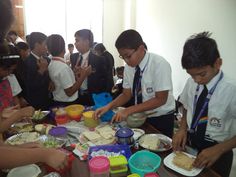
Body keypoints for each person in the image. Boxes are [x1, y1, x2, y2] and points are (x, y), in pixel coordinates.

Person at [172, 32, 236, 177]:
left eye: (202, 74)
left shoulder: (232, 90)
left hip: (218, 153)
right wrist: (182, 129)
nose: (197, 80)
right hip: (190, 145)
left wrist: (218, 149)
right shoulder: (192, 82)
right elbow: (187, 107)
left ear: (218, 63)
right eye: (191, 75)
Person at [94, 29, 175, 138]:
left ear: (141, 48)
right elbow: (126, 94)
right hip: (141, 116)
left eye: (128, 56)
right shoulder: (129, 67)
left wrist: (128, 110)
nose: (126, 61)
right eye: (122, 57)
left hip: (161, 117)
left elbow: (161, 99)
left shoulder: (159, 64)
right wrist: (108, 106)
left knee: (159, 150)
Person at [47, 34, 91, 106]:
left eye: (77, 40)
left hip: (59, 99)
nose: (75, 43)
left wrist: (72, 73)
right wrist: (84, 75)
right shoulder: (63, 67)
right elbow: (70, 92)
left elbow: (61, 79)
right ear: (63, 48)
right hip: (67, 103)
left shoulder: (52, 63)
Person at [70, 29, 111, 106]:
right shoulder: (73, 57)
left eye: (77, 40)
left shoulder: (99, 60)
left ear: (86, 41)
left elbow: (106, 80)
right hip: (77, 96)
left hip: (93, 98)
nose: (75, 43)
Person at [24, 32, 53, 110]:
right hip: (36, 103)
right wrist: (41, 70)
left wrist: (51, 81)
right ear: (37, 44)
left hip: (49, 99)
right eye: (45, 44)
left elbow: (49, 76)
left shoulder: (47, 59)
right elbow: (31, 86)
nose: (47, 47)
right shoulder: (27, 62)